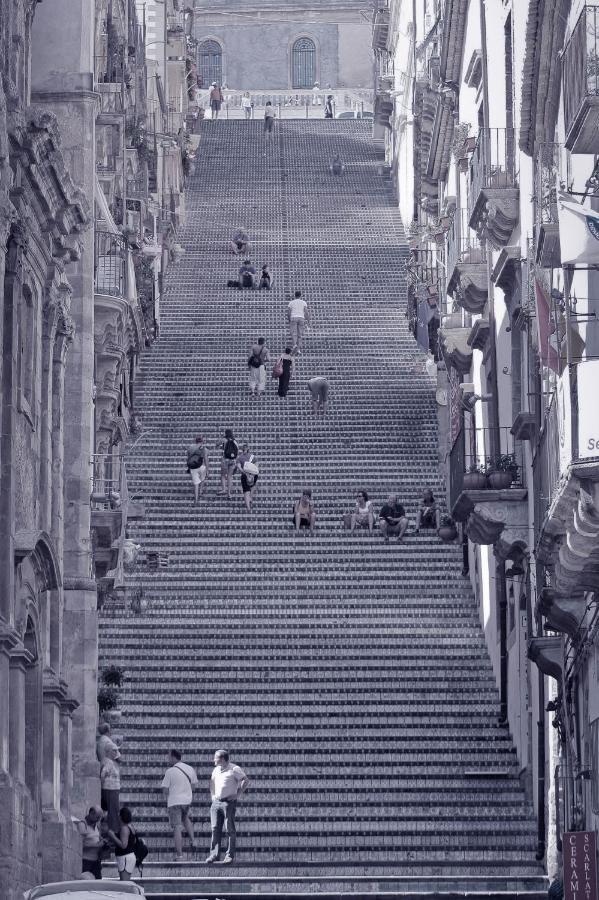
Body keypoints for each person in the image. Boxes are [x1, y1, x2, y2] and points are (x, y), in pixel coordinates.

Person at [205, 749, 250, 864]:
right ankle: (214, 855)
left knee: (229, 829)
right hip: (216, 803)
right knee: (215, 829)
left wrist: (237, 794)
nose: (213, 760)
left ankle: (229, 855)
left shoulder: (234, 769)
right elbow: (211, 783)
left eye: (216, 757)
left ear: (222, 759)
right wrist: (212, 796)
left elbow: (245, 780)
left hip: (228, 803)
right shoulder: (215, 770)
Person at [161, 748, 199, 861]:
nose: (168, 759)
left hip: (174, 801)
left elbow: (165, 789)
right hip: (187, 801)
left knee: (177, 827)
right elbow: (194, 786)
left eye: (169, 757)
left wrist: (168, 798)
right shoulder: (189, 768)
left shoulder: (170, 771)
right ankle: (193, 840)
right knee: (185, 818)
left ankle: (180, 855)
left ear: (173, 757)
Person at [108, 806, 136, 881]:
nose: (118, 817)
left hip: (125, 858)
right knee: (124, 881)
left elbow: (124, 845)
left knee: (125, 882)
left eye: (119, 815)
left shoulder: (125, 828)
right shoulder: (130, 827)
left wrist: (112, 836)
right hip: (126, 857)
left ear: (121, 816)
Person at [77, 806, 105, 880]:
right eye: (97, 817)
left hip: (96, 861)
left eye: (99, 818)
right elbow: (80, 844)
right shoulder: (82, 825)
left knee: (98, 884)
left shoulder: (96, 826)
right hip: (85, 861)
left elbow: (98, 838)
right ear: (91, 814)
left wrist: (102, 841)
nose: (98, 820)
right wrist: (96, 845)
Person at [100, 744, 121, 832]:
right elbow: (102, 775)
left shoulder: (108, 761)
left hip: (112, 789)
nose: (116, 753)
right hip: (111, 789)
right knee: (113, 812)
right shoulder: (109, 762)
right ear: (108, 752)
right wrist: (103, 785)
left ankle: (112, 830)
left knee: (113, 811)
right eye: (114, 750)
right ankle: (114, 831)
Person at [236, 447, 259, 512]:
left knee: (246, 491)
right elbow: (256, 466)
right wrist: (252, 474)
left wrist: (244, 472)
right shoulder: (253, 457)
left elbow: (238, 466)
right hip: (254, 475)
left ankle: (248, 507)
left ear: (242, 450)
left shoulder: (240, 458)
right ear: (249, 450)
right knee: (253, 486)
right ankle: (250, 497)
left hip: (244, 475)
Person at [186, 435, 208, 503]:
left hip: (193, 467)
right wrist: (207, 470)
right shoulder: (204, 449)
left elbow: (189, 458)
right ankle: (201, 491)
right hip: (201, 466)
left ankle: (196, 500)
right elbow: (206, 460)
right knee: (202, 478)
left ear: (196, 441)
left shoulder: (190, 448)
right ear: (202, 442)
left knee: (196, 484)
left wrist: (189, 467)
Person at [219, 428, 239, 498]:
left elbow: (217, 445)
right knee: (230, 476)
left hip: (225, 459)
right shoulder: (235, 441)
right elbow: (237, 451)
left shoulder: (224, 440)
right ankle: (229, 494)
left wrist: (222, 447)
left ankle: (224, 489)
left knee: (223, 475)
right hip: (232, 460)